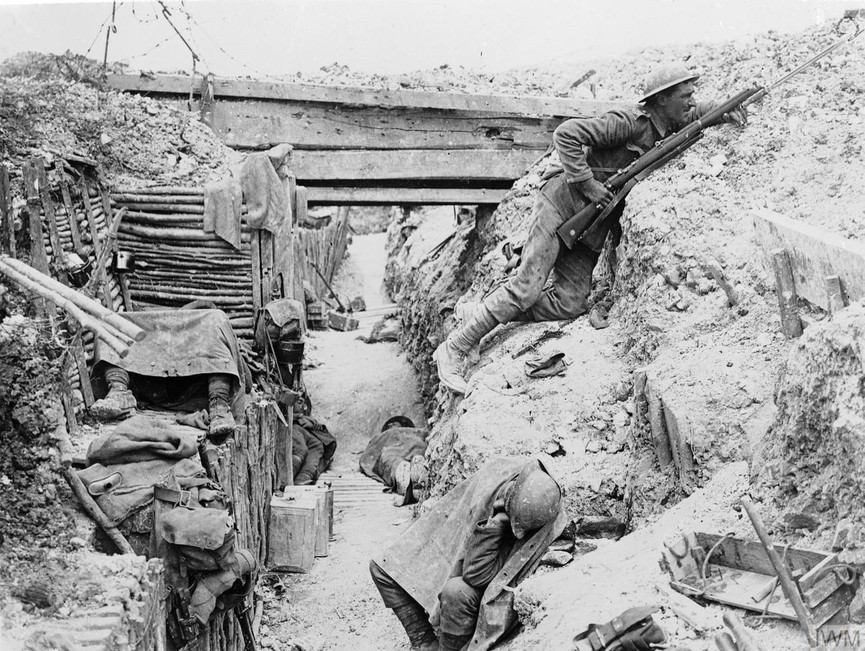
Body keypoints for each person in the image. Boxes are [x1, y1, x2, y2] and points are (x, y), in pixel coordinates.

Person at [433, 64, 748, 394]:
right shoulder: (628, 123)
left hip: (589, 226)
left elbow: (698, 113)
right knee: (527, 288)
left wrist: (726, 110)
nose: (690, 100)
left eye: (691, 95)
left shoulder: (668, 123)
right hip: (561, 205)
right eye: (684, 95)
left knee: (570, 304)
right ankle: (455, 348)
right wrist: (587, 184)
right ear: (663, 99)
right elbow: (566, 135)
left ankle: (489, 309)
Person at [369, 457, 566, 651]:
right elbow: (453, 522)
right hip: (459, 542)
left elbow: (477, 576)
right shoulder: (496, 475)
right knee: (382, 568)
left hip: (483, 581)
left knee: (456, 592)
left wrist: (497, 524)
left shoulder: (539, 513)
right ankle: (424, 641)